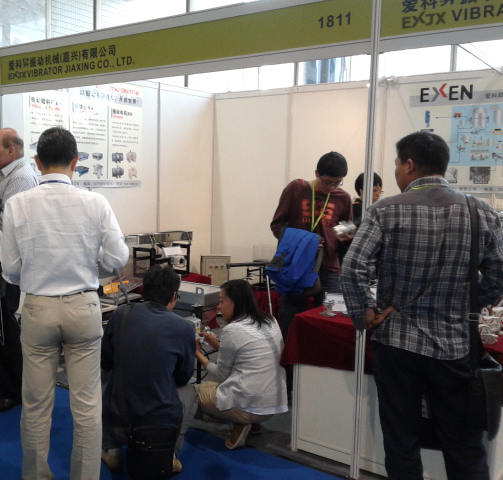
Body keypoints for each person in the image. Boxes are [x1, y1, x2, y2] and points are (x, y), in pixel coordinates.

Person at [341, 131, 503, 480]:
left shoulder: (384, 210)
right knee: (463, 443)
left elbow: (353, 267)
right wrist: (469, 303)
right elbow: (499, 274)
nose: (396, 171)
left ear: (409, 165)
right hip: (454, 344)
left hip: (397, 341)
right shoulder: (481, 212)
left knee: (401, 441)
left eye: (397, 164)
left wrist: (364, 312)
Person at [0, 126, 129, 480]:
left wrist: (34, 273)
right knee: (87, 405)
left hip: (37, 307)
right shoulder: (96, 203)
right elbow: (118, 257)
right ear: (75, 162)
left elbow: (10, 269)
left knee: (35, 404)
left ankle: (35, 475)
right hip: (83, 306)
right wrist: (93, 266)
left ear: (37, 162)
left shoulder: (17, 204)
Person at [100, 264, 197, 474]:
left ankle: (111, 449)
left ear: (143, 290)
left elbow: (105, 360)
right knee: (191, 390)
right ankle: (170, 453)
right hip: (158, 430)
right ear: (174, 296)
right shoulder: (184, 328)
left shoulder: (121, 314)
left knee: (110, 375)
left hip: (119, 421)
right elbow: (183, 376)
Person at [195, 279, 288, 450]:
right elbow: (248, 355)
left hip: (249, 405)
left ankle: (239, 421)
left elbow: (221, 375)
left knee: (190, 394)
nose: (218, 307)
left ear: (235, 302)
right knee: (218, 384)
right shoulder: (270, 320)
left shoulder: (232, 329)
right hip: (273, 404)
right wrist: (219, 345)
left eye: (221, 301)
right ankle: (249, 423)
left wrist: (198, 354)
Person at [0, 128, 38, 415]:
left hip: (12, 266)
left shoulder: (21, 178)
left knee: (8, 327)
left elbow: (5, 222)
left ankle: (14, 390)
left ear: (11, 151)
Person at [270, 151, 353, 335]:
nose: (331, 187)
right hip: (297, 265)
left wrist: (348, 237)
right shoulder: (296, 189)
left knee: (331, 322)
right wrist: (305, 243)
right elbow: (277, 225)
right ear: (317, 173)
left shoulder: (343, 198)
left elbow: (346, 229)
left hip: (329, 266)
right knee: (291, 319)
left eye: (337, 183)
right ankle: (290, 352)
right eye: (327, 182)